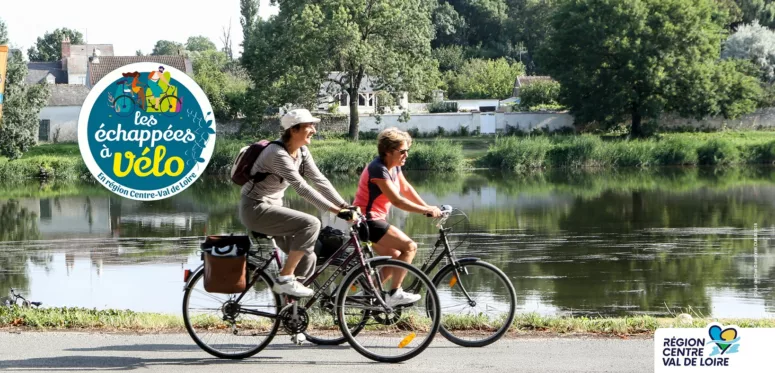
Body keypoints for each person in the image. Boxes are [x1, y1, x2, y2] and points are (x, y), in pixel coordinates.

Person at [239, 108, 355, 298]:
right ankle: (285, 278)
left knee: (309, 256)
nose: (314, 130)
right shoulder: (276, 154)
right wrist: (336, 211)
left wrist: (345, 206)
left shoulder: (301, 151)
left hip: (273, 209)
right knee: (311, 223)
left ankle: (290, 312)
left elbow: (319, 181)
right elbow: (302, 189)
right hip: (255, 209)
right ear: (293, 129)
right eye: (310, 126)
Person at [353, 127, 442, 307]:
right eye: (402, 151)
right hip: (368, 221)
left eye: (407, 150)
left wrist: (427, 207)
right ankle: (395, 293)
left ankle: (365, 296)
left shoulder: (393, 168)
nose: (406, 155)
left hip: (372, 220)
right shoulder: (378, 169)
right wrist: (424, 211)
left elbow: (407, 189)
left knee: (395, 257)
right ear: (387, 151)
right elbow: (398, 201)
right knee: (409, 247)